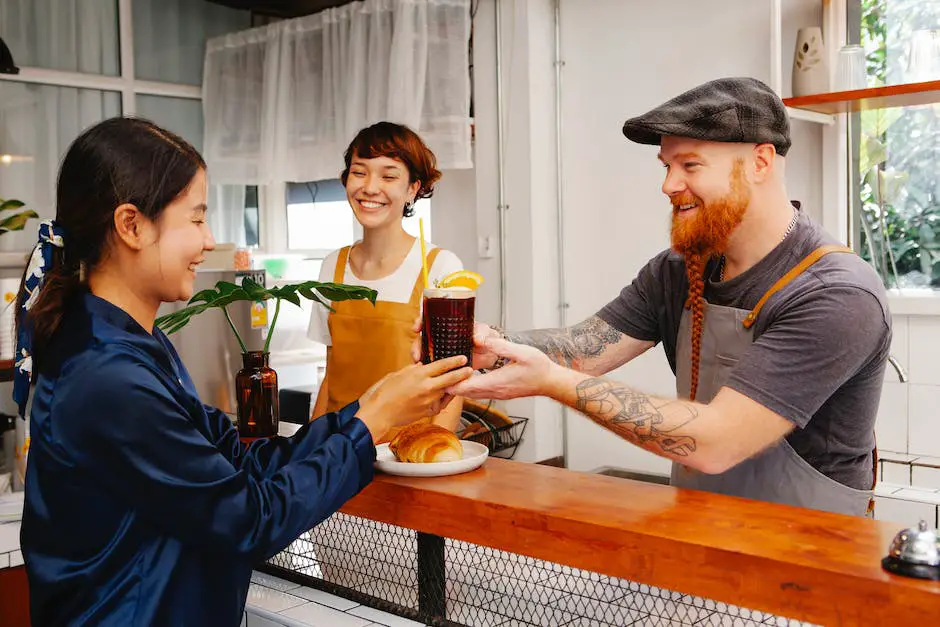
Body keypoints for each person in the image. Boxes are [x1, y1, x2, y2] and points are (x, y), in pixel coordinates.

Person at [16, 117, 471, 626]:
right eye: (196, 218)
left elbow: (236, 457)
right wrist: (367, 427)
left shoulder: (134, 346)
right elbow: (248, 517)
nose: (210, 240)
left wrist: (368, 412)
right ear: (131, 225)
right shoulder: (107, 376)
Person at [446, 77, 891, 517]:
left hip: (812, 555)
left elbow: (717, 443)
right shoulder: (679, 269)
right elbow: (581, 350)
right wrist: (481, 343)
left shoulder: (835, 294)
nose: (668, 185)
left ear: (759, 163)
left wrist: (552, 382)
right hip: (701, 530)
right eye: (666, 166)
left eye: (690, 165)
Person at [309, 121, 466, 441]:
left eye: (389, 175)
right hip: (340, 453)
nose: (370, 187)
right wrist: (309, 452)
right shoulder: (331, 267)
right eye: (359, 172)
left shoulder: (440, 267)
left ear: (412, 189)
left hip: (408, 452)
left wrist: (427, 459)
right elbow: (331, 377)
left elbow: (454, 384)